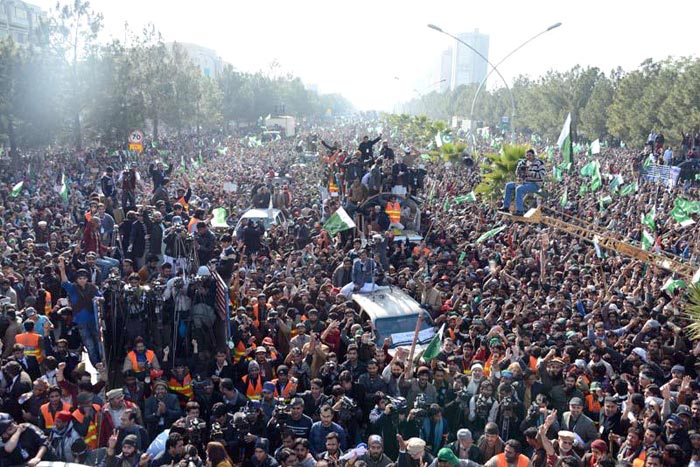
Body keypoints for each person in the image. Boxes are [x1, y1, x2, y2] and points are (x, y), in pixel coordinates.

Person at [500, 148, 546, 216]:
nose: (528, 157)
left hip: (535, 184)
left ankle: (520, 210)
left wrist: (530, 173)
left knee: (519, 189)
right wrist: (519, 172)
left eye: (530, 155)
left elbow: (542, 175)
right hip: (524, 182)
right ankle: (506, 206)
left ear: (533, 155)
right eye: (527, 155)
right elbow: (517, 173)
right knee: (508, 185)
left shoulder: (539, 163)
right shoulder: (523, 162)